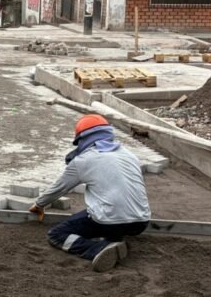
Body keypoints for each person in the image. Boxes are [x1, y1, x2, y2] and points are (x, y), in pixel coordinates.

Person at [29, 114, 151, 272]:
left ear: (82, 139)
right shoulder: (130, 155)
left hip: (110, 222)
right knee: (109, 221)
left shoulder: (83, 161)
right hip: (141, 222)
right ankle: (113, 241)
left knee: (57, 234)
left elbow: (59, 188)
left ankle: (97, 249)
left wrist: (39, 205)